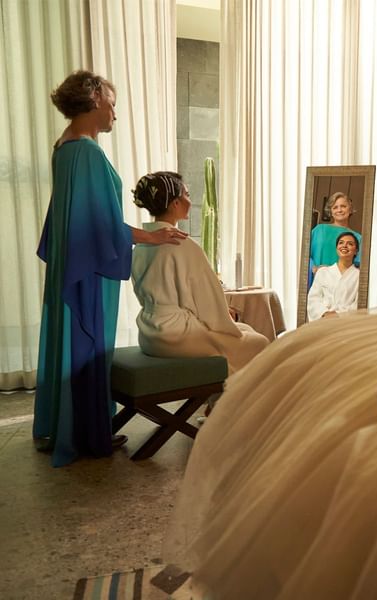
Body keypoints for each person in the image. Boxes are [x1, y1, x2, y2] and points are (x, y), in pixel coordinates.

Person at [34, 70, 188, 467]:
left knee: (76, 344)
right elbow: (99, 222)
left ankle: (72, 425)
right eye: (113, 104)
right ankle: (86, 433)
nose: (115, 113)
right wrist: (154, 236)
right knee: (88, 344)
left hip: (77, 261)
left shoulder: (64, 146)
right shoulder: (86, 151)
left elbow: (74, 216)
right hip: (88, 267)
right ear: (95, 100)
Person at [131, 171, 269, 373]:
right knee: (259, 342)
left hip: (148, 334)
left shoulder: (141, 246)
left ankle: (215, 399)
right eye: (186, 194)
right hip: (176, 335)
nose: (190, 200)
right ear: (174, 204)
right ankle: (233, 400)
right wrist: (226, 319)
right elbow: (206, 300)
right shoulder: (182, 244)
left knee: (244, 331)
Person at [308, 192, 362, 288]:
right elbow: (304, 255)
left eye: (343, 206)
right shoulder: (319, 230)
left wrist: (331, 271)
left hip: (342, 285)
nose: (339, 210)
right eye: (335, 207)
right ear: (331, 212)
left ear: (350, 209)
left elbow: (357, 267)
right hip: (315, 280)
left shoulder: (358, 238)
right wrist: (313, 268)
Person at [307, 231, 360, 320]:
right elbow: (313, 299)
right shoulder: (323, 272)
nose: (344, 246)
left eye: (350, 244)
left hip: (346, 323)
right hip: (322, 321)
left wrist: (338, 315)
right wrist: (325, 313)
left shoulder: (359, 276)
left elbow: (358, 304)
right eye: (341, 243)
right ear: (336, 248)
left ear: (356, 251)